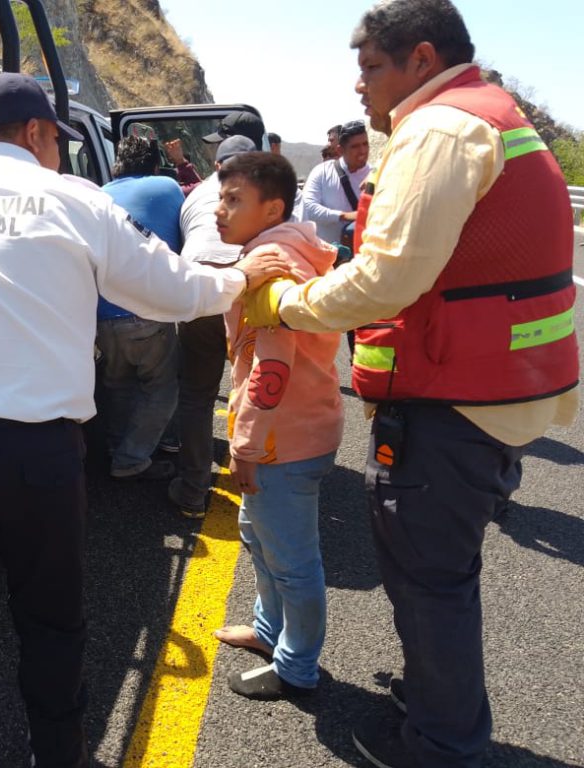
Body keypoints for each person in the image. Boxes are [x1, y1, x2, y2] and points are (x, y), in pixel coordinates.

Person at [0, 73, 289, 768]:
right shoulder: (75, 200)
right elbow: (168, 289)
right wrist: (239, 279)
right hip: (36, 457)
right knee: (49, 626)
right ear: (37, 132)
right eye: (55, 140)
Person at [243, 1, 579, 765]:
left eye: (371, 68)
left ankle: (441, 741)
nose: (360, 88)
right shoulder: (493, 113)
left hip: (451, 404)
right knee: (437, 572)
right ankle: (437, 698)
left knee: (430, 580)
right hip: (498, 388)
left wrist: (290, 302)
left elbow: (389, 279)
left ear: (420, 60)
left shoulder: (441, 128)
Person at [209, 152, 343, 700]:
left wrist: (243, 444)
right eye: (221, 196)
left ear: (274, 207)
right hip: (285, 431)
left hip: (280, 438)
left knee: (291, 561)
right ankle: (269, 633)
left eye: (233, 199)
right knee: (259, 540)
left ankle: (297, 667)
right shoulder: (273, 250)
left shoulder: (274, 264)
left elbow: (273, 366)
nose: (219, 209)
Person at [168, 130, 264, 518]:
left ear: (215, 164)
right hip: (248, 293)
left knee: (196, 394)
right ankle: (262, 483)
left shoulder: (193, 195)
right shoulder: (264, 194)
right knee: (257, 389)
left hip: (199, 295)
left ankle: (192, 490)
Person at [97, 135, 185, 480]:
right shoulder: (166, 185)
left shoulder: (100, 193)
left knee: (118, 385)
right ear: (153, 164)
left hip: (102, 314)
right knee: (161, 387)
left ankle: (117, 448)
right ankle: (131, 459)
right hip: (149, 311)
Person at [164, 107, 265, 196]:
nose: (216, 149)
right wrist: (181, 163)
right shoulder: (268, 187)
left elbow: (199, 192)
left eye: (221, 144)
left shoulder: (227, 189)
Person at [301, 119, 371, 245]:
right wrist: (344, 216)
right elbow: (307, 207)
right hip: (327, 258)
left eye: (365, 144)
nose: (362, 151)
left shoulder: (376, 175)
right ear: (340, 150)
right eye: (355, 146)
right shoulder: (322, 172)